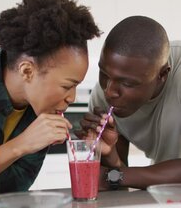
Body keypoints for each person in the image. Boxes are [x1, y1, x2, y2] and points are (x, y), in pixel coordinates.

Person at [0, 0, 101, 194]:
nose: (72, 98)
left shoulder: (39, 112)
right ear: (27, 71)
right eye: (67, 86)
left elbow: (14, 188)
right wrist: (21, 145)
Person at [76, 15, 181, 190]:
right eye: (104, 74)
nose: (109, 91)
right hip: (166, 192)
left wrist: (113, 177)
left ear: (162, 75)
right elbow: (121, 183)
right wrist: (109, 153)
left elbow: (118, 177)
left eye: (127, 83)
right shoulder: (101, 98)